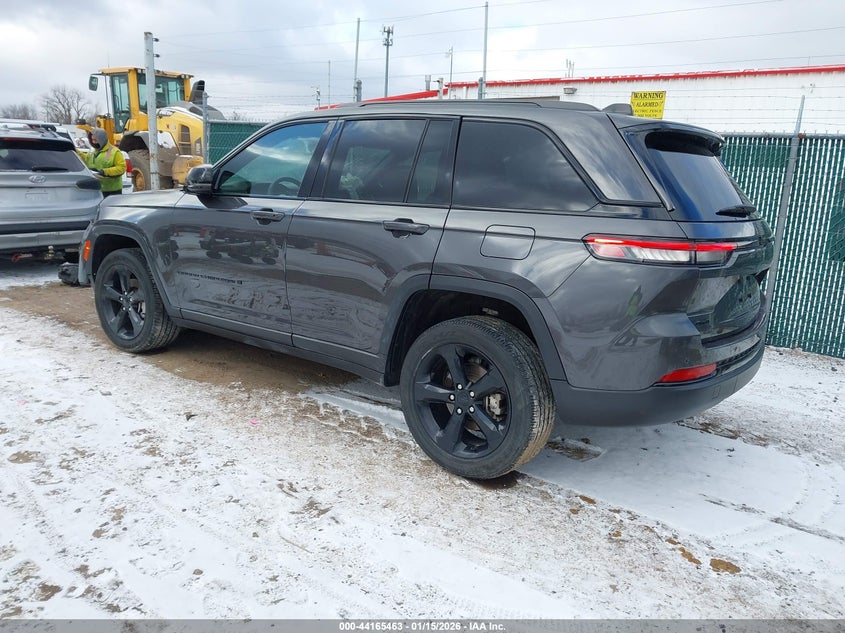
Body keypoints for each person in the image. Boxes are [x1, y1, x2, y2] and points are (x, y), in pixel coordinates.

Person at [82, 128, 126, 197]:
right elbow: (86, 159)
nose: (93, 142)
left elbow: (121, 168)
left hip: (112, 191)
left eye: (96, 140)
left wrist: (105, 172)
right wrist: (75, 151)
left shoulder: (112, 151)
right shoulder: (92, 151)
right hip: (96, 189)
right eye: (92, 140)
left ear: (101, 139)